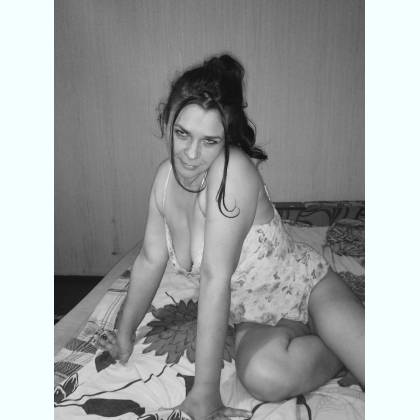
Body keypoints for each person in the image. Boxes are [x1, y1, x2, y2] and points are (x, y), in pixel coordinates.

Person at [93, 54, 365, 420]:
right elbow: (150, 259)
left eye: (209, 141)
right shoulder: (163, 181)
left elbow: (214, 276)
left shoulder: (230, 170)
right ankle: (337, 349)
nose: (191, 154)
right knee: (265, 377)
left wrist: (205, 396)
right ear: (167, 120)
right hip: (254, 315)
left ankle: (343, 336)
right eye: (182, 133)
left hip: (309, 289)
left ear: (226, 138)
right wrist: (124, 333)